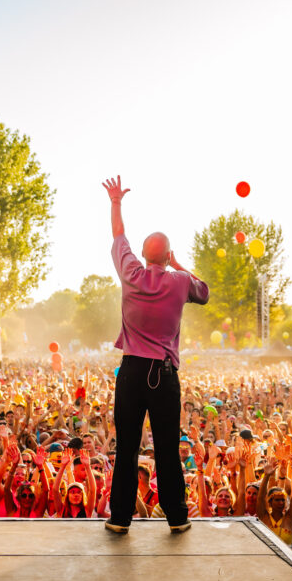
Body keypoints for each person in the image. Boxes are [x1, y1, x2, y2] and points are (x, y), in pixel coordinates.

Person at [102, 175, 209, 534]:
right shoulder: (179, 282)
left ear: (144, 254)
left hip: (131, 373)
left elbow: (119, 236)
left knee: (128, 447)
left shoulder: (130, 271)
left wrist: (116, 202)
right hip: (163, 376)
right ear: (166, 255)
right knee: (165, 447)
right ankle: (177, 517)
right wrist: (179, 265)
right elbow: (205, 293)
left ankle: (120, 519)